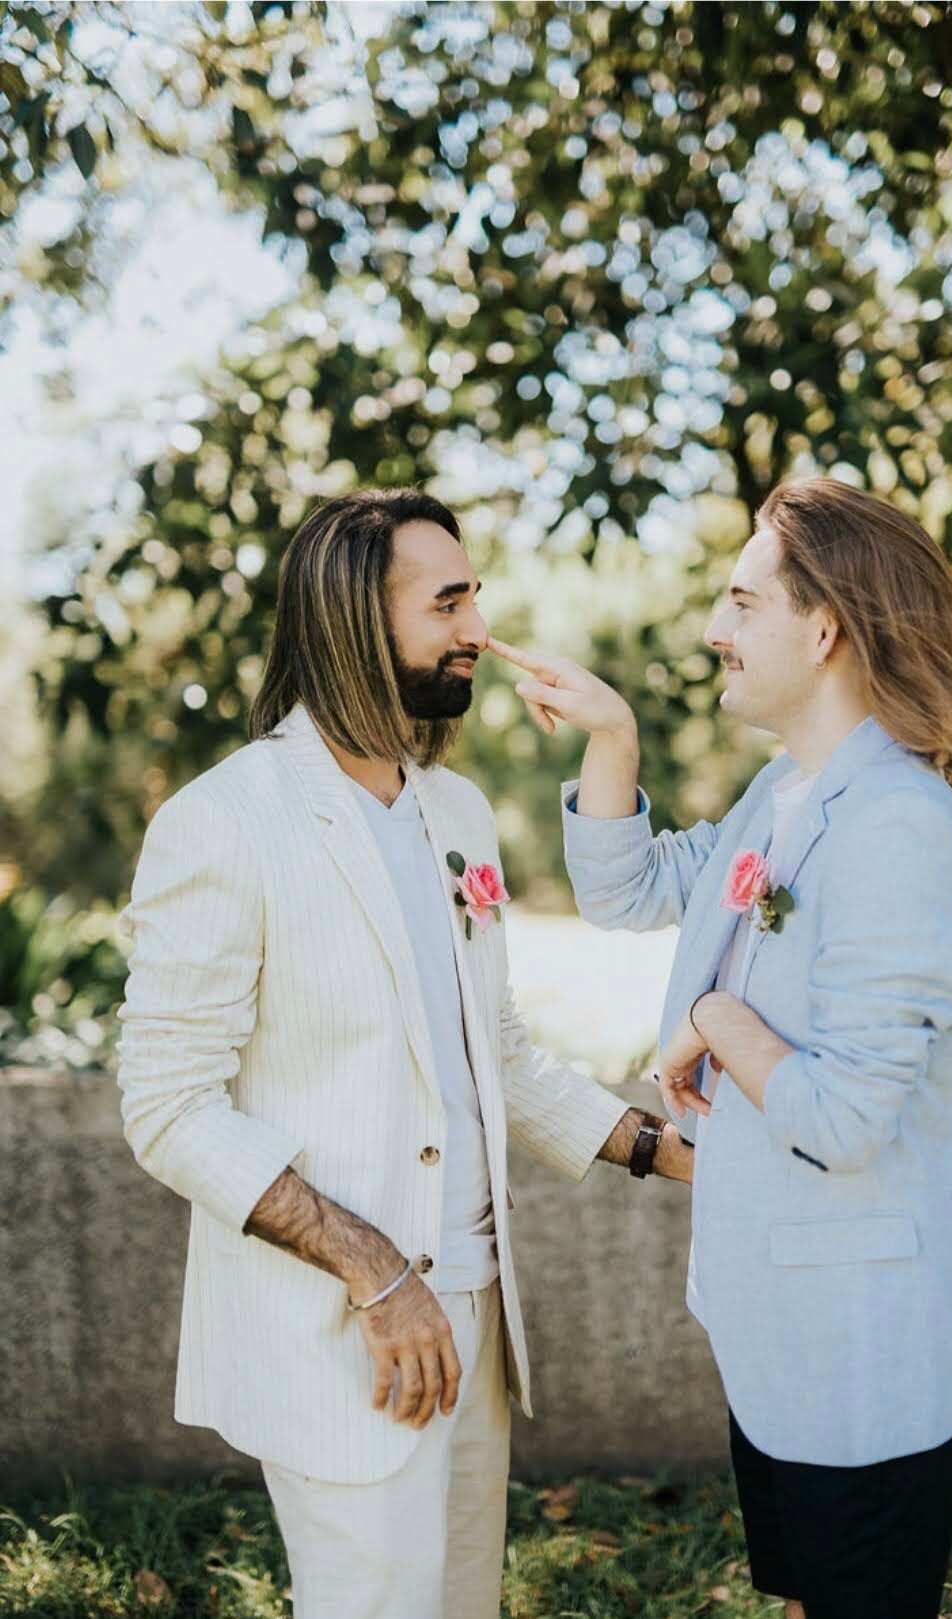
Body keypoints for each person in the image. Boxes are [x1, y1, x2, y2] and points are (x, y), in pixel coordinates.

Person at [116, 487, 693, 1619]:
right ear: (352, 617)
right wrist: (376, 1274)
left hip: (478, 1318)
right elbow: (169, 1107)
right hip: (344, 1321)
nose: (478, 628)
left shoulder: (458, 812)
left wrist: (667, 1151)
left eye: (474, 597)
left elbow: (494, 1049)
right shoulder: (224, 818)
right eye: (448, 603)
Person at [489, 476, 952, 1619]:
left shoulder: (897, 824)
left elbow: (842, 1120)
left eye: (741, 601)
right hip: (784, 1323)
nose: (713, 629)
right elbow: (629, 891)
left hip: (866, 1343)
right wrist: (613, 733)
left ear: (825, 628)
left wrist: (717, 1020)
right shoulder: (785, 791)